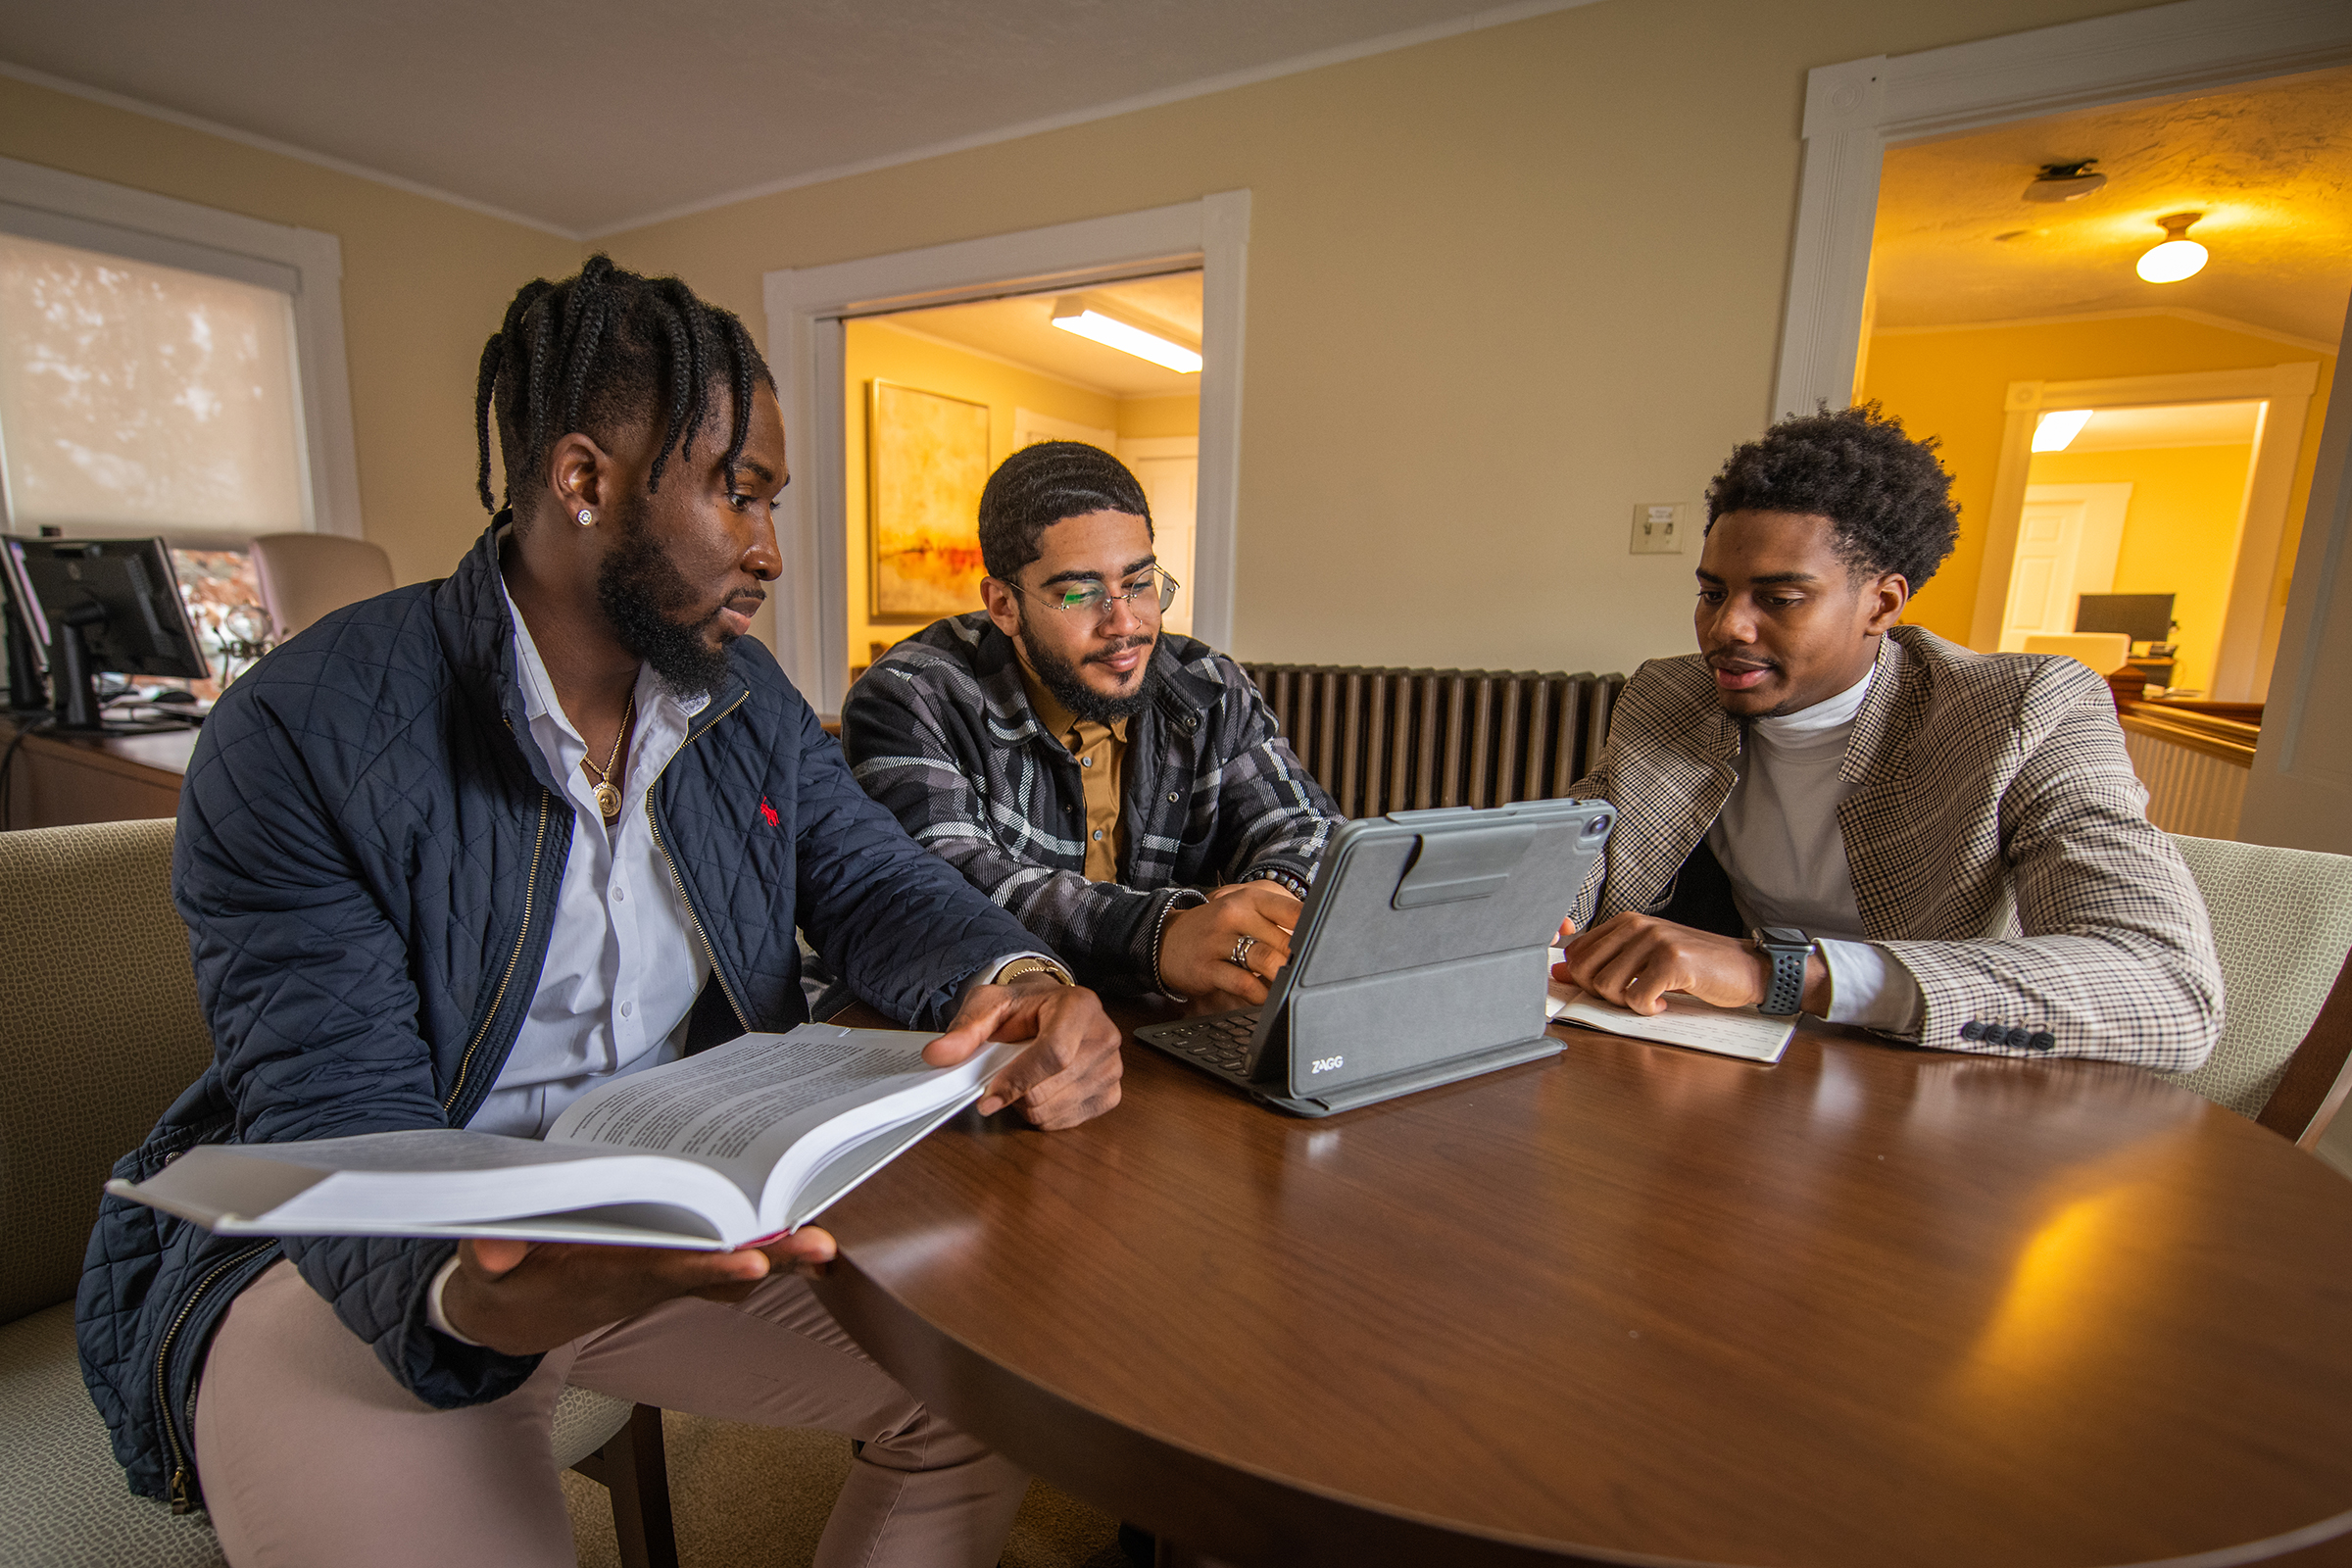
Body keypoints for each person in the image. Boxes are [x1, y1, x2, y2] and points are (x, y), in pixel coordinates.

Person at [77, 258, 1123, 1568]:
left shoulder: (741, 700)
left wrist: (1018, 975)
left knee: (989, 1398)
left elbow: (872, 881)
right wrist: (475, 1289)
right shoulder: (298, 730)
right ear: (585, 481)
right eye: (737, 493)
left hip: (662, 1219)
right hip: (378, 1264)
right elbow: (332, 1119)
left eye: (772, 502)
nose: (770, 551)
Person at [1553, 403, 2221, 1066]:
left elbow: (2169, 987)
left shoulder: (2025, 710)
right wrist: (1518, 899)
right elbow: (1579, 849)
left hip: (1938, 1077)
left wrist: (1779, 971)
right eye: (1713, 594)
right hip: (1725, 1061)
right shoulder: (1671, 696)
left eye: (1779, 599)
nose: (1728, 627)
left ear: (1883, 603)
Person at [841, 441, 1339, 1011]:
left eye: (1141, 582)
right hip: (988, 1034)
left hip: (1161, 1028)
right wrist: (1164, 936)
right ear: (1003, 604)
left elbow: (1308, 826)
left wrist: (1271, 900)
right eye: (1080, 594)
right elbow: (948, 888)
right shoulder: (910, 698)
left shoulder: (1209, 684)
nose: (1124, 624)